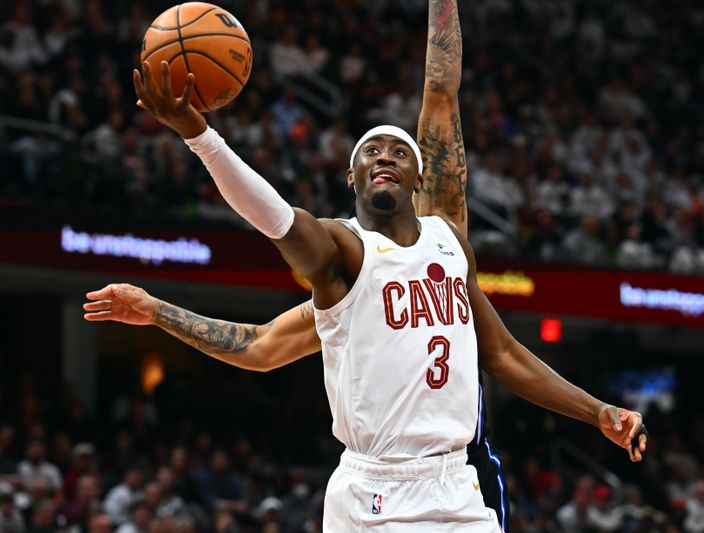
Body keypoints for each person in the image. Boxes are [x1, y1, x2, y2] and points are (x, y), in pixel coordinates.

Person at [95, 4, 647, 531]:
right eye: (370, 151)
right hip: (371, 494)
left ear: (418, 177)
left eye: (399, 151)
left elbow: (502, 354)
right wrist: (201, 140)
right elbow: (275, 244)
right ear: (352, 177)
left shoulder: (449, 240)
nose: (385, 155)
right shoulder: (342, 253)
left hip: (455, 485)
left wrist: (597, 412)